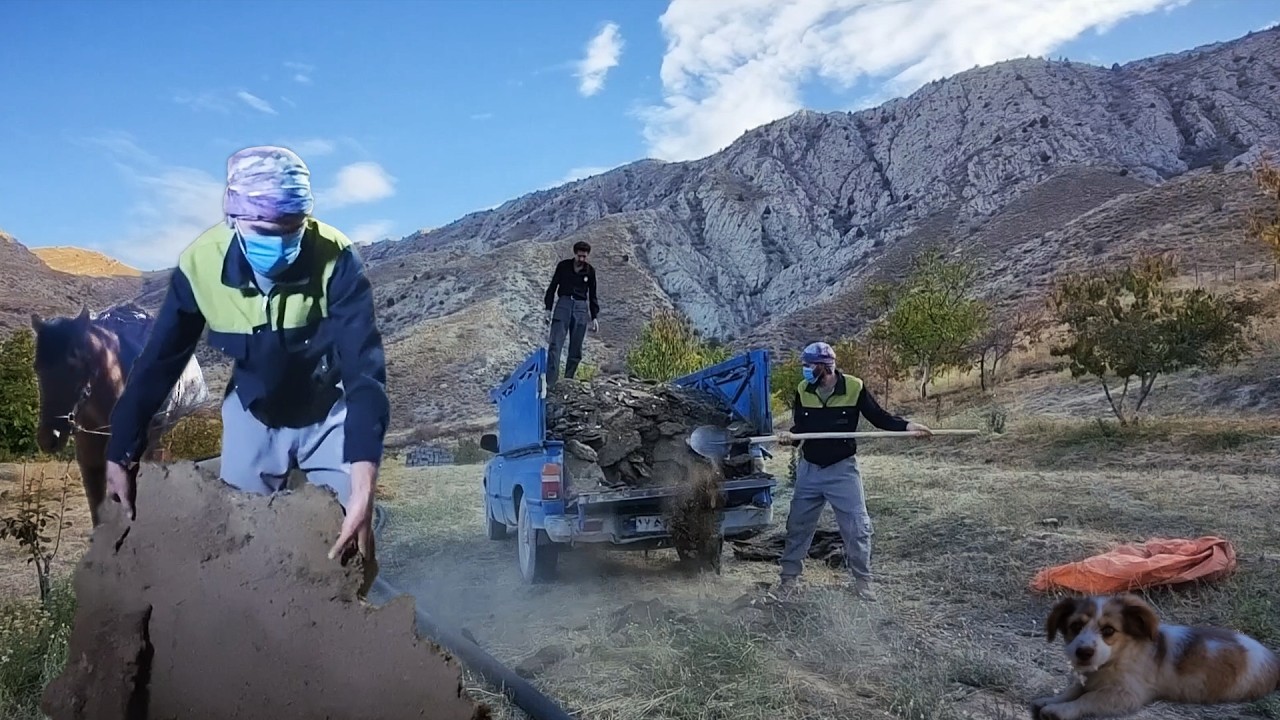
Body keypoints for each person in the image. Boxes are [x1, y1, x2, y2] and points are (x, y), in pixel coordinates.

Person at [103, 145, 390, 593]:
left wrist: (364, 485)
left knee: (345, 539)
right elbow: (160, 361)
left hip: (326, 412)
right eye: (262, 229)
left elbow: (365, 372)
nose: (277, 242)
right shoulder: (201, 264)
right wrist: (121, 448)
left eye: (291, 228)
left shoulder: (337, 257)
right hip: (252, 412)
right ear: (233, 217)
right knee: (241, 543)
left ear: (305, 220)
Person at [773, 341, 931, 601]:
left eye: (809, 365)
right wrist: (790, 437)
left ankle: (863, 582)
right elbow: (802, 429)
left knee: (857, 527)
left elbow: (880, 418)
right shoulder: (803, 389)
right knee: (797, 526)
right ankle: (788, 580)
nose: (805, 370)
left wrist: (909, 427)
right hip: (809, 470)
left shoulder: (854, 387)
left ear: (824, 367)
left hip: (842, 471)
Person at [543, 240, 599, 385]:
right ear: (575, 254)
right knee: (555, 344)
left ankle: (568, 381)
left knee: (576, 347)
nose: (581, 259)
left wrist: (594, 317)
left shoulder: (590, 271)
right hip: (564, 303)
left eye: (584, 257)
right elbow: (552, 287)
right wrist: (548, 309)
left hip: (581, 308)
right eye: (579, 256)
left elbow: (593, 295)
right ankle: (551, 382)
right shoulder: (563, 266)